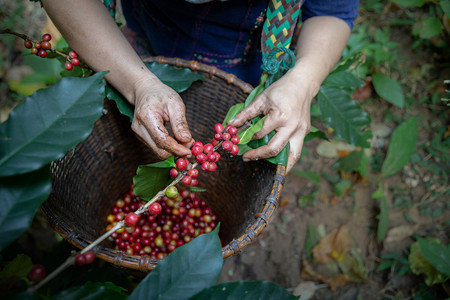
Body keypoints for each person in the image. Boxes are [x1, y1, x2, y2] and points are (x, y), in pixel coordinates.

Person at [42, 0, 359, 172]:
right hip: (142, 42)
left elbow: (332, 10)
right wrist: (138, 82)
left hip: (247, 58)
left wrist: (303, 80)